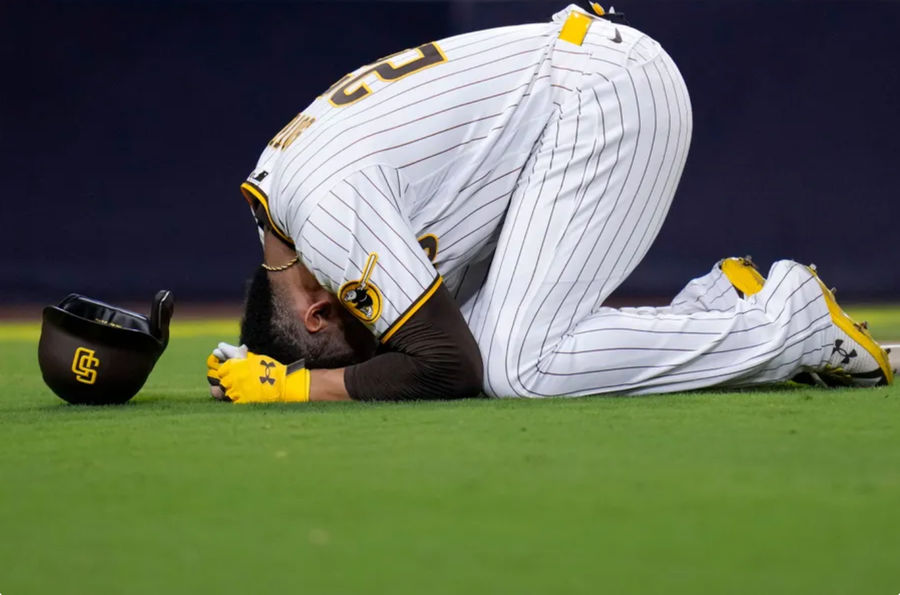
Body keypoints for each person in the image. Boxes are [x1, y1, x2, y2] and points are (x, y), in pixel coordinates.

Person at [206, 3, 894, 404]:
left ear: (321, 309)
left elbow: (448, 365)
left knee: (517, 368)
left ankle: (790, 322)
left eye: (357, 333)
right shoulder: (286, 211)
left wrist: (301, 386)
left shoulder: (324, 214)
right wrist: (275, 359)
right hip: (565, 100)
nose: (374, 339)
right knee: (479, 330)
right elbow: (396, 336)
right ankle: (715, 307)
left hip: (600, 93)